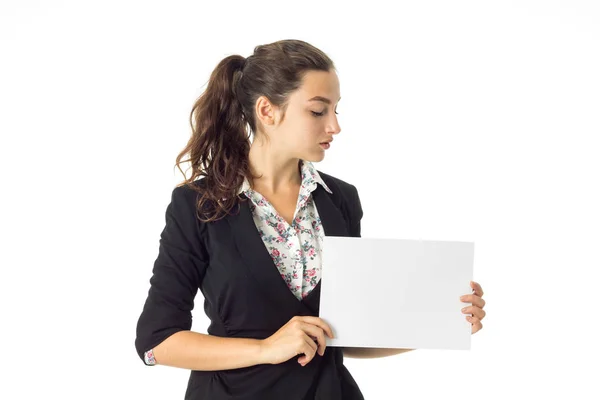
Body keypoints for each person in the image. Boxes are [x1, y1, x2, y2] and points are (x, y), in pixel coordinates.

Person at [134, 39, 487, 400]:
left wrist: (440, 322)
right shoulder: (198, 204)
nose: (335, 126)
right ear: (267, 111)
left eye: (336, 110)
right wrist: (266, 349)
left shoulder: (341, 200)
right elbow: (157, 341)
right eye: (318, 111)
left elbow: (345, 335)